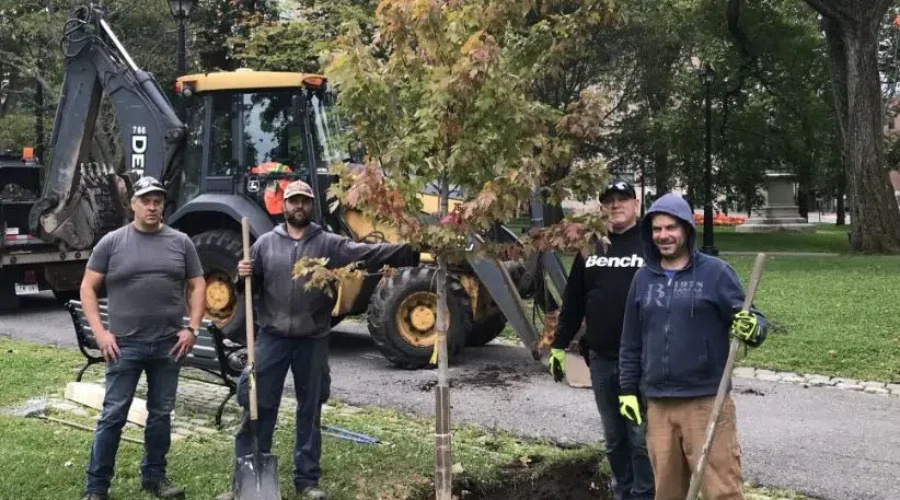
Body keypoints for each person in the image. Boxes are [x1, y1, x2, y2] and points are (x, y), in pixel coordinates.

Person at [217, 179, 420, 500]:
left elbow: (366, 254)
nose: (299, 206)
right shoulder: (265, 244)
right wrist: (241, 275)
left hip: (312, 339)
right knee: (258, 406)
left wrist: (408, 249)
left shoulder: (327, 244)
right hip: (271, 339)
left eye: (304, 201)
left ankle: (307, 480)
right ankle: (244, 480)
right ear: (283, 206)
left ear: (311, 206)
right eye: (293, 201)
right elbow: (248, 290)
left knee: (309, 410)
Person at [617, 193, 767, 500]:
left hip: (706, 402)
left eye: (671, 228)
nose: (664, 235)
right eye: (657, 229)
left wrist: (753, 327)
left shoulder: (716, 273)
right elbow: (630, 341)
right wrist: (627, 390)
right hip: (658, 406)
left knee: (722, 491)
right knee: (667, 492)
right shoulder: (643, 279)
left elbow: (753, 320)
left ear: (686, 229)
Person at [79, 176, 207, 500]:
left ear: (163, 205)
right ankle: (97, 487)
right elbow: (87, 288)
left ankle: (154, 477)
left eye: (157, 201)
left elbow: (199, 284)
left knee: (161, 415)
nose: (152, 206)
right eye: (146, 200)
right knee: (113, 415)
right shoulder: (112, 243)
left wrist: (192, 327)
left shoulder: (181, 243)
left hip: (169, 344)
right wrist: (101, 333)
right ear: (133, 203)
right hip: (124, 345)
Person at [548, 178, 654, 500]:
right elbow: (574, 301)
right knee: (614, 437)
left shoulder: (650, 244)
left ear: (635, 204)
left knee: (640, 436)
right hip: (603, 360)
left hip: (642, 361)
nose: (615, 205)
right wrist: (558, 344)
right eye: (609, 200)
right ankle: (623, 490)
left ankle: (645, 493)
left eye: (623, 198)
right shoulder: (592, 247)